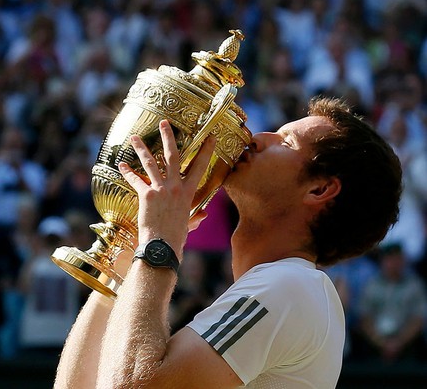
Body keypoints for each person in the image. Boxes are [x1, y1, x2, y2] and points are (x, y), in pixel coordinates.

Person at [54, 97, 402, 388]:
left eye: (285, 141)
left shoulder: (291, 286)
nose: (257, 138)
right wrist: (127, 248)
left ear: (319, 189)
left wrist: (159, 242)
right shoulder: (284, 287)